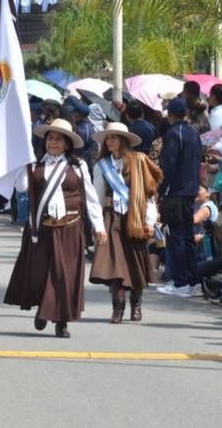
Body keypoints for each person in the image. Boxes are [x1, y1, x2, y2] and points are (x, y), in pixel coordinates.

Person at [4, 119, 106, 338]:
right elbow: (21, 187)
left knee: (65, 277)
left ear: (67, 143)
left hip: (70, 228)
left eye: (58, 138)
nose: (53, 142)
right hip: (42, 229)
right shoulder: (35, 165)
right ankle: (43, 305)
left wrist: (98, 226)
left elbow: (90, 198)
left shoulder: (78, 166)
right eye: (50, 137)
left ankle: (61, 321)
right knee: (40, 274)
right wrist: (24, 162)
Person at [89, 123, 163, 323]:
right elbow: (94, 197)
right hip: (112, 218)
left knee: (135, 264)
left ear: (125, 140)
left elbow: (149, 195)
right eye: (109, 137)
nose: (111, 141)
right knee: (115, 266)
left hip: (136, 217)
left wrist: (150, 220)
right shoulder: (101, 165)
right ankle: (117, 309)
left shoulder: (140, 161)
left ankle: (136, 305)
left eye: (115, 137)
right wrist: (97, 226)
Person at [156, 98, 203, 298]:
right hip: (191, 189)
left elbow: (169, 165)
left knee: (176, 237)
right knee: (188, 236)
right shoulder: (194, 132)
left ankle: (180, 281)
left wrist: (161, 189)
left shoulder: (173, 134)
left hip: (175, 192)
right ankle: (193, 280)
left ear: (170, 114)